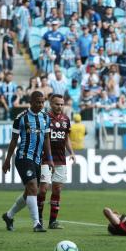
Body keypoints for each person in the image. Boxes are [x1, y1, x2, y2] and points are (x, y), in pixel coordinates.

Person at [1, 91, 54, 232]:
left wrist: (49, 159)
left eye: (42, 102)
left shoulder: (45, 118)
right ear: (30, 102)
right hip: (24, 157)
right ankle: (36, 224)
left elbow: (47, 139)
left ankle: (9, 215)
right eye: (37, 102)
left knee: (29, 192)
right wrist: (7, 160)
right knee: (32, 186)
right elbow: (13, 140)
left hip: (37, 159)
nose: (41, 104)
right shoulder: (21, 118)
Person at [37, 94, 76, 229]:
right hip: (45, 159)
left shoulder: (66, 119)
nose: (59, 106)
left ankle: (53, 221)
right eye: (56, 104)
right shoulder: (44, 118)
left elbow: (66, 138)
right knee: (42, 190)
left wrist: (71, 152)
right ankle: (39, 220)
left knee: (57, 189)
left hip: (60, 159)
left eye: (61, 104)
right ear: (50, 104)